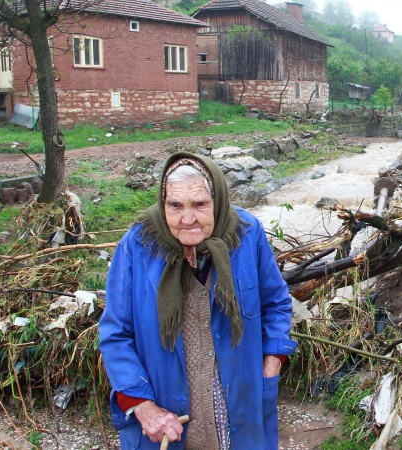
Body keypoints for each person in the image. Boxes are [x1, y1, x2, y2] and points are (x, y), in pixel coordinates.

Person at [99, 153, 296, 450]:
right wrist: (144, 408)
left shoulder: (247, 232)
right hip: (168, 424)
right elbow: (115, 334)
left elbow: (276, 303)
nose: (187, 218)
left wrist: (272, 364)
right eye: (175, 205)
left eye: (200, 204)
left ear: (217, 200)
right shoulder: (138, 244)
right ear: (162, 202)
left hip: (240, 409)